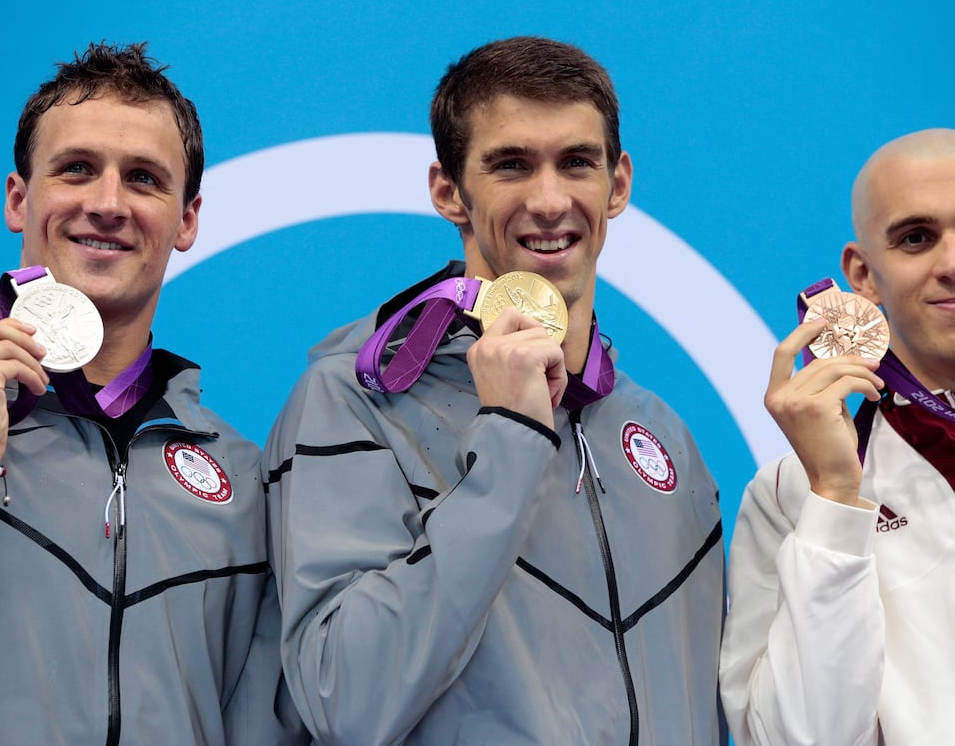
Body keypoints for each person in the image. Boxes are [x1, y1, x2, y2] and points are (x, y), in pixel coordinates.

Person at [266, 36, 725, 745]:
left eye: (577, 162)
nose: (549, 200)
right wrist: (510, 441)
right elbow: (342, 698)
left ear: (619, 183)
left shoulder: (660, 434)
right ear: (448, 190)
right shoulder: (354, 400)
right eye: (511, 164)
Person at [0, 43, 302, 745]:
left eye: (143, 179)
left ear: (186, 220)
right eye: (77, 169)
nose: (108, 204)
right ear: (19, 199)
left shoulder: (240, 477)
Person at [719, 128, 955, 745]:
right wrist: (836, 500)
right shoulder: (791, 495)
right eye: (916, 238)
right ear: (863, 274)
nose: (954, 264)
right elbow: (794, 739)